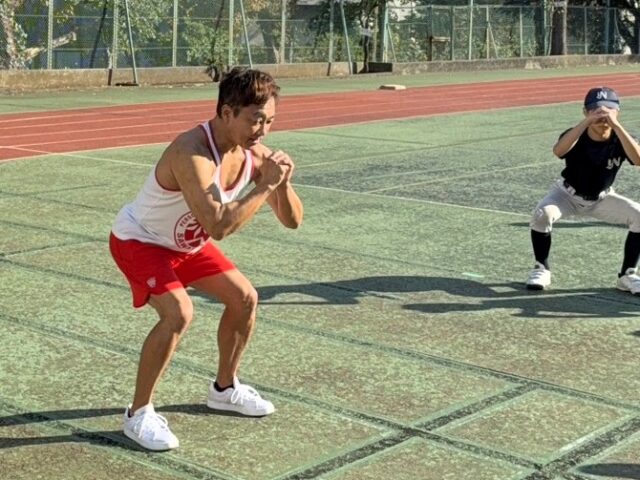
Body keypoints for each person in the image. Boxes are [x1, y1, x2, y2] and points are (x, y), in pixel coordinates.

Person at [109, 67, 303, 451]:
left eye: (270, 121)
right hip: (140, 241)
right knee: (179, 313)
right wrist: (265, 184)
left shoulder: (253, 153)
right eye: (255, 119)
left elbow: (292, 220)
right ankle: (138, 413)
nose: (263, 130)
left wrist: (282, 183)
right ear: (227, 112)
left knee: (244, 298)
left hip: (185, 246)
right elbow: (218, 225)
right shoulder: (191, 151)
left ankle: (224, 389)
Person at [526, 86, 640, 292]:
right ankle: (541, 268)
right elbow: (559, 151)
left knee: (639, 215)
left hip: (602, 198)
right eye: (595, 109)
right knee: (543, 213)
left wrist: (616, 125)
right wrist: (586, 122)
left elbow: (638, 159)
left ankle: (627, 275)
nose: (602, 114)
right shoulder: (575, 134)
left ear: (617, 111)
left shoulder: (621, 138)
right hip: (566, 195)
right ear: (585, 111)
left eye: (609, 109)